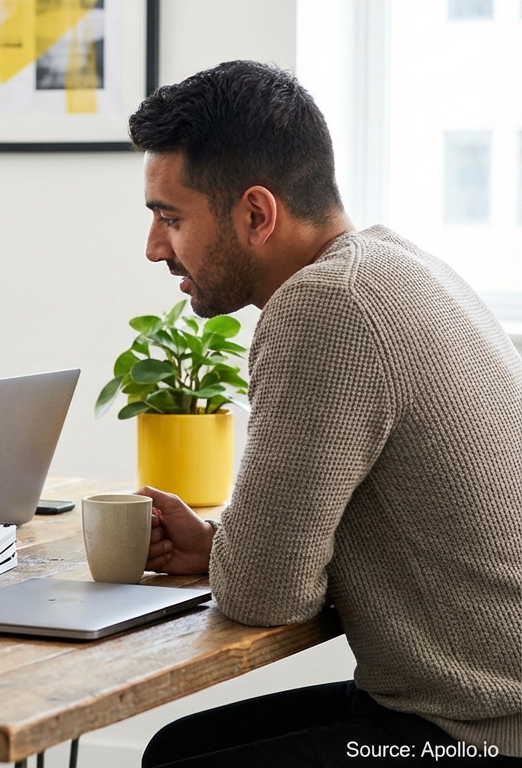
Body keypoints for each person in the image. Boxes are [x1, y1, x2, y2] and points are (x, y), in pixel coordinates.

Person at [129, 60, 522, 766]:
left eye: (170, 218)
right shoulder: (395, 264)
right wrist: (221, 544)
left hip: (476, 738)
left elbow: (264, 594)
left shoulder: (328, 306)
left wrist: (234, 558)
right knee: (176, 747)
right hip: (469, 708)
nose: (155, 247)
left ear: (256, 213)